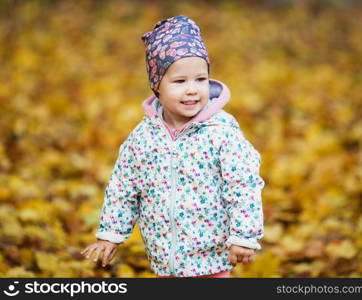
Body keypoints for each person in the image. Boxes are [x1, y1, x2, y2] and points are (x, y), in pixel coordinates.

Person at [80, 15, 265, 278]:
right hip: (164, 258)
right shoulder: (143, 138)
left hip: (212, 258)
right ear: (157, 86)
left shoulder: (222, 133)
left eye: (200, 79)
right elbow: (123, 187)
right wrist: (110, 236)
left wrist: (244, 236)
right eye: (180, 82)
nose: (192, 89)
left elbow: (243, 184)